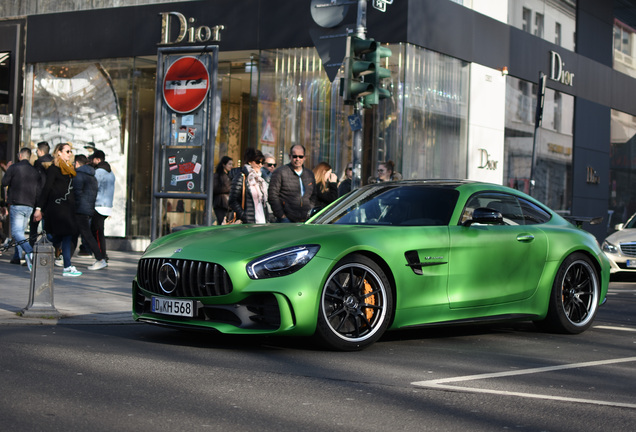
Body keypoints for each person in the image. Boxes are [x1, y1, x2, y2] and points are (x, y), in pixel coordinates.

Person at [33, 143, 82, 277]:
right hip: (57, 208)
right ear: (59, 152)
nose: (69, 153)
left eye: (70, 151)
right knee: (61, 235)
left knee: (62, 236)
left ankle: (64, 265)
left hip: (68, 208)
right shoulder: (54, 169)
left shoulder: (69, 169)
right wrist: (39, 208)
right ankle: (67, 266)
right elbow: (47, 189)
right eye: (67, 151)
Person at [1, 147, 41, 271]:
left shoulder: (14, 168)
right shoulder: (35, 171)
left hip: (17, 202)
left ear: (20, 156)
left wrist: (8, 170)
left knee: (16, 232)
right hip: (29, 204)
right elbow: (38, 190)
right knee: (21, 232)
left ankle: (29, 252)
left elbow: (4, 182)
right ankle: (16, 256)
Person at [73, 154, 107, 270]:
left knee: (87, 235)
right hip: (88, 209)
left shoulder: (78, 175)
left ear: (77, 163)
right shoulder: (92, 176)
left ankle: (100, 259)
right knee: (74, 234)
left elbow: (76, 194)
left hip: (80, 210)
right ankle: (64, 258)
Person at [268, 144, 316, 223]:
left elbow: (313, 195)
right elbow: (272, 195)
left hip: (305, 219)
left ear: (304, 157)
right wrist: (281, 215)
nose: (297, 159)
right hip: (286, 219)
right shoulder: (280, 172)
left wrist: (309, 210)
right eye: (295, 156)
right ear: (290, 156)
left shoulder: (309, 174)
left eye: (300, 156)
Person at [228, 148, 269, 224]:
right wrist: (244, 216)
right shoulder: (241, 177)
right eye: (257, 162)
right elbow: (232, 201)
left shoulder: (261, 179)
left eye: (262, 162)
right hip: (248, 222)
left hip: (262, 220)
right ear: (249, 161)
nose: (260, 165)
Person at [89, 149, 115, 262]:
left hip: (98, 206)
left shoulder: (98, 172)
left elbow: (93, 189)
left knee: (98, 233)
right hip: (107, 206)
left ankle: (102, 256)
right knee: (98, 232)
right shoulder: (110, 172)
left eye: (93, 159)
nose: (92, 161)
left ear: (98, 159)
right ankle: (101, 255)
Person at [30, 141, 53, 246]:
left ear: (40, 151)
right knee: (48, 228)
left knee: (34, 226)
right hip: (51, 200)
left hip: (40, 200)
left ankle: (31, 252)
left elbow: (39, 184)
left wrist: (38, 204)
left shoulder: (39, 163)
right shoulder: (54, 162)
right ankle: (51, 251)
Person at [212, 156, 233, 224]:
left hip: (229, 205)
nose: (231, 166)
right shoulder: (217, 176)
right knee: (221, 224)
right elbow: (214, 189)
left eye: (232, 164)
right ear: (224, 164)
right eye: (229, 164)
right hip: (220, 204)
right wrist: (229, 188)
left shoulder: (230, 176)